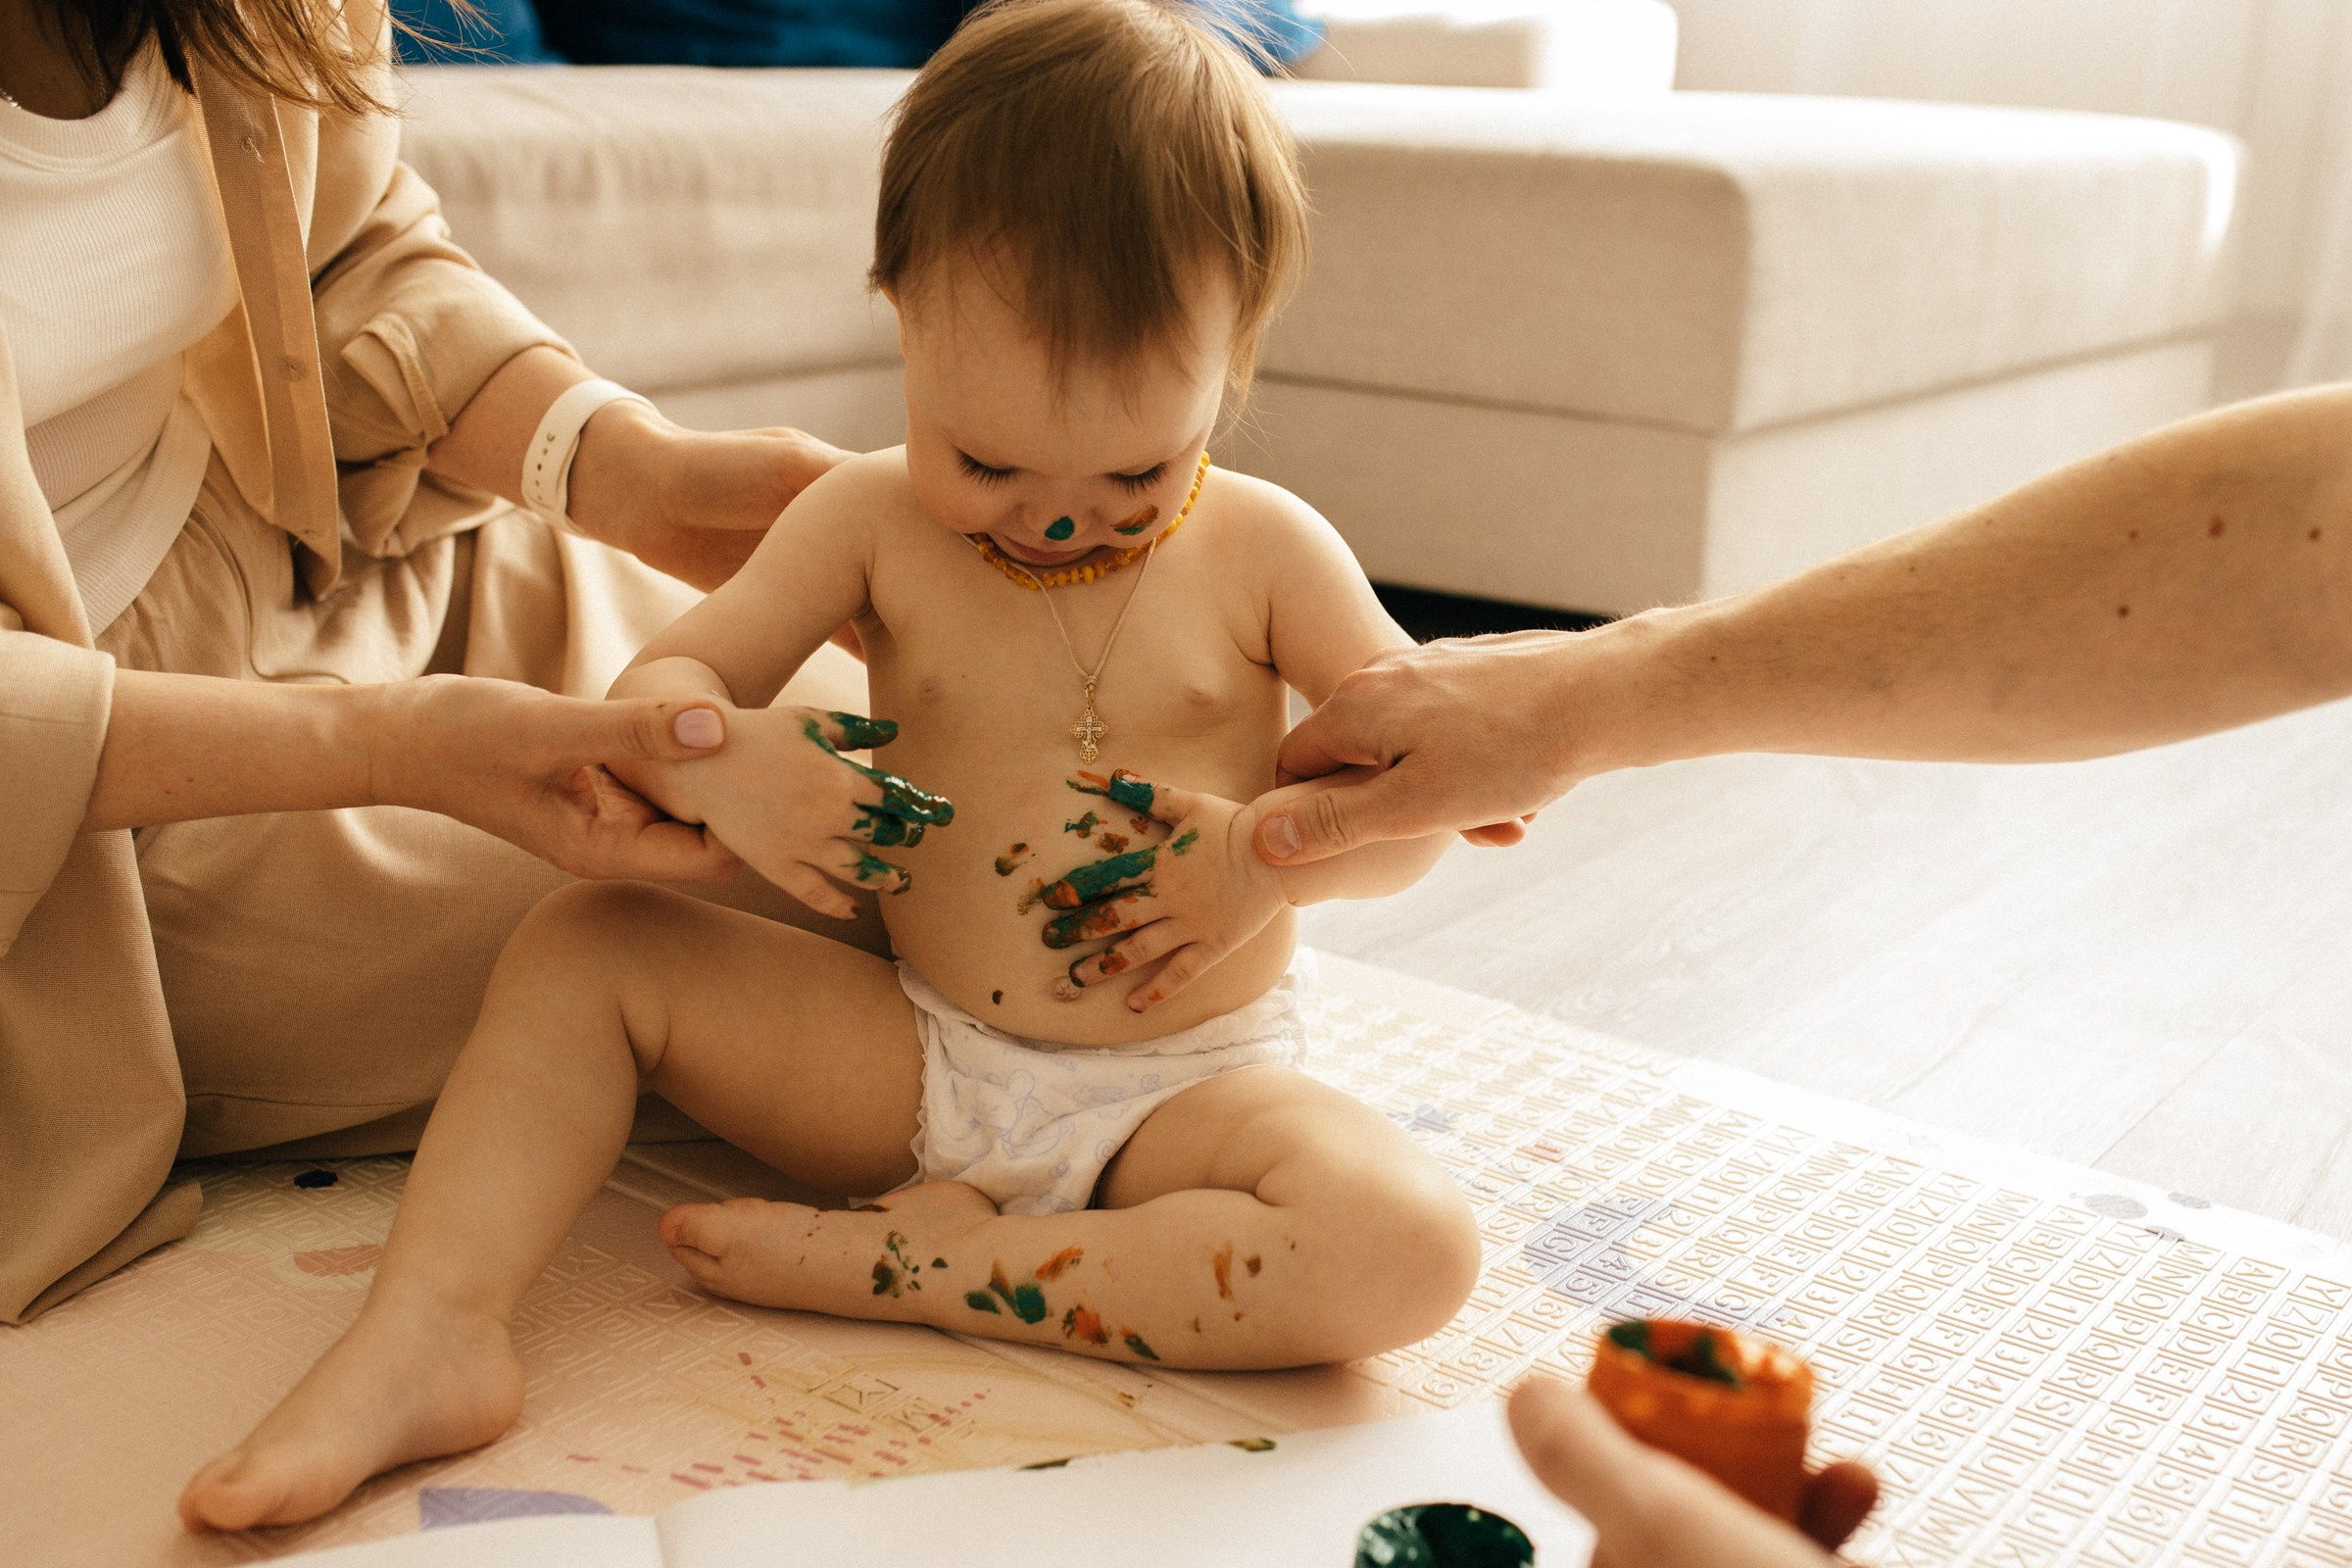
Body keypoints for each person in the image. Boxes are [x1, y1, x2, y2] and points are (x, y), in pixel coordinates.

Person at [175, 0, 1481, 1532]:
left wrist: (1260, 857)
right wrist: (721, 758)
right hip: (913, 1062)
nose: (1054, 522)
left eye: (1136, 474)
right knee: (584, 945)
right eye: (986, 462)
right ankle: (429, 1329)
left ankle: (936, 1274)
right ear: (898, 307)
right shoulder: (868, 521)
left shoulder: (1270, 551)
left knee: (1406, 1246)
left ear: (1234, 356)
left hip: (1185, 1092)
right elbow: (671, 677)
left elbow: (1415, 810)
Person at [0, 0, 922, 1324]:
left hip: (294, 536)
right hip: (89, 794)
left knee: (978, 774)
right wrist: (395, 747)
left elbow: (342, 247)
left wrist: (621, 470)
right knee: (877, 886)